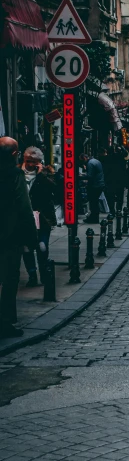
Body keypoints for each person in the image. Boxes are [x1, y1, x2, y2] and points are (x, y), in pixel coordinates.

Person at [0, 137, 37, 338]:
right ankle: (5, 322)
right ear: (15, 154)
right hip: (9, 235)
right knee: (9, 279)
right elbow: (24, 206)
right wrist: (32, 237)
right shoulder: (15, 174)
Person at [20, 147, 56, 287]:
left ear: (39, 162)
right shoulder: (18, 172)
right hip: (24, 217)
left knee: (42, 247)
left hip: (42, 217)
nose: (30, 164)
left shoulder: (46, 173)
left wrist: (42, 175)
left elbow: (54, 189)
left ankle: (44, 273)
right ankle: (32, 275)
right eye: (28, 161)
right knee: (26, 248)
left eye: (34, 162)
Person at [79, 152, 105, 223]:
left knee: (93, 202)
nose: (82, 163)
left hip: (95, 185)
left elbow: (90, 176)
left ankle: (93, 218)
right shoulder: (96, 161)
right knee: (95, 202)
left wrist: (79, 177)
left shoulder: (90, 163)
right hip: (99, 184)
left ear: (84, 158)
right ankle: (94, 217)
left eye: (82, 160)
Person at [104, 146, 127, 214]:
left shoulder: (107, 158)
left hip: (110, 180)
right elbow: (125, 153)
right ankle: (119, 210)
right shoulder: (120, 156)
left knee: (110, 196)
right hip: (120, 180)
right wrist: (122, 148)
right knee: (120, 196)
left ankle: (112, 210)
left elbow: (105, 170)